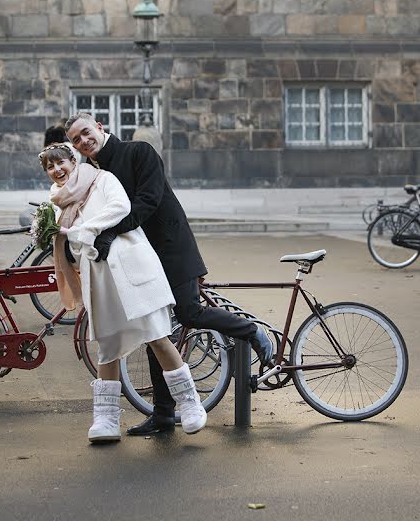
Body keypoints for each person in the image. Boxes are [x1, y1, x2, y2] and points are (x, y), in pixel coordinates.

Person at [64, 112, 274, 436]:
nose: (83, 141)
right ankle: (163, 416)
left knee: (187, 311)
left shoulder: (139, 152)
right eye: (76, 140)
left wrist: (108, 231)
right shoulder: (94, 173)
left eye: (85, 132)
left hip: (169, 247)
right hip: (136, 256)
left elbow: (147, 201)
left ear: (100, 128)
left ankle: (249, 330)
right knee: (155, 331)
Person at [38, 143, 207, 443]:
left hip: (130, 267)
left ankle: (190, 403)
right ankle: (105, 419)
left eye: (60, 163)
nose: (56, 170)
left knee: (156, 335)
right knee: (107, 344)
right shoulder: (56, 203)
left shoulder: (101, 179)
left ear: (73, 161)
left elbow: (120, 207)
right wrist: (58, 240)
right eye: (50, 167)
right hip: (99, 276)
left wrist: (84, 231)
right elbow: (72, 247)